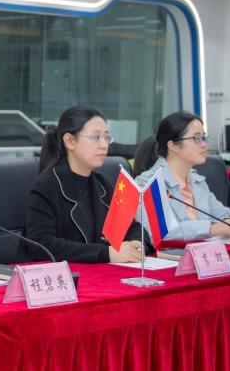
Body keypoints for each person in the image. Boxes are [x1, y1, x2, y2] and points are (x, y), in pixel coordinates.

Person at [24, 105, 148, 263]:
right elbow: (42, 244)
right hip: (63, 275)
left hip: (99, 272)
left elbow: (132, 227)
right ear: (70, 141)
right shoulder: (46, 186)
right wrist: (106, 253)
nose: (104, 145)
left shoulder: (102, 185)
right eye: (96, 137)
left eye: (106, 137)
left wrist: (136, 244)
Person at [133, 111, 230, 242]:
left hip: (205, 251)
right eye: (197, 138)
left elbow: (229, 217)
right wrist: (210, 229)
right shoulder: (147, 183)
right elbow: (157, 234)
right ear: (173, 146)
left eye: (204, 137)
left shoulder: (197, 181)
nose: (204, 144)